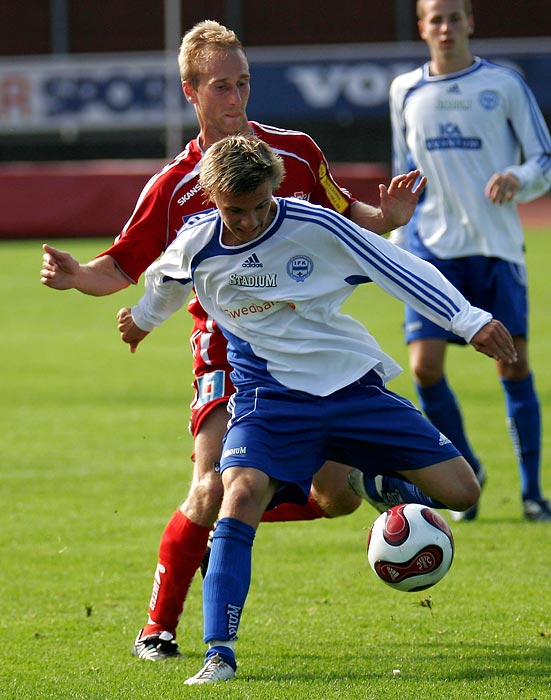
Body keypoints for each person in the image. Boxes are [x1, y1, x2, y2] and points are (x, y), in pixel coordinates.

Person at [40, 20, 427, 660]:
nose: (237, 97)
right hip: (227, 353)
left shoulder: (296, 153)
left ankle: (270, 508)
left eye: (243, 83)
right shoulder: (174, 185)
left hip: (310, 352)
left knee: (334, 499)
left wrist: (387, 217)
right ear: (191, 91)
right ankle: (158, 628)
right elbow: (125, 264)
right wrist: (80, 276)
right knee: (211, 484)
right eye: (221, 86)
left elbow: (347, 214)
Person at [117, 133, 517, 684]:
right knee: (238, 494)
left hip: (350, 387)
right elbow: (163, 282)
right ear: (211, 197)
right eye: (237, 210)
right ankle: (220, 654)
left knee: (463, 489)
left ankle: (373, 483)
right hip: (269, 400)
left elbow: (398, 268)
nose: (252, 221)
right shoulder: (196, 244)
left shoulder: (315, 225)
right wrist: (141, 319)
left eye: (261, 206)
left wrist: (469, 321)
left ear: (275, 190)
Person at [387, 0, 551, 521]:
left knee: (512, 363)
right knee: (424, 367)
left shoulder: (504, 85)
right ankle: (468, 469)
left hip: (495, 247)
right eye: (436, 18)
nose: (446, 27)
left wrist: (518, 179)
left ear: (470, 23)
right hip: (431, 251)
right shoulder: (404, 91)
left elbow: (543, 158)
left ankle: (531, 494)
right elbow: (402, 171)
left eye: (454, 17)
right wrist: (392, 239)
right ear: (422, 28)